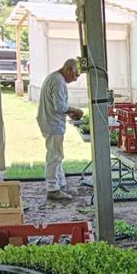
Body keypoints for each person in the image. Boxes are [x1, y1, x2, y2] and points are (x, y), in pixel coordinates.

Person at [36, 59, 84, 201]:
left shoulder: (54, 77)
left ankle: (60, 183)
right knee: (54, 156)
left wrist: (69, 112)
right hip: (52, 123)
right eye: (75, 75)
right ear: (68, 70)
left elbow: (56, 105)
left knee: (58, 155)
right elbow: (59, 107)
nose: (75, 79)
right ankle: (52, 189)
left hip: (49, 121)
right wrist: (74, 109)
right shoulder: (58, 81)